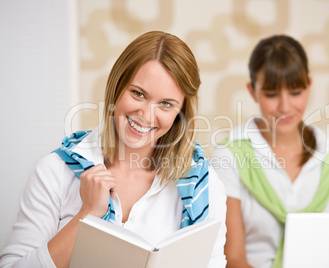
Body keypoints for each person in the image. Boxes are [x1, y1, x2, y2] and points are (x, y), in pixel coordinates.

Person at [0, 31, 227, 268]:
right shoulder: (55, 171)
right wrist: (86, 216)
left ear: (180, 113)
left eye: (166, 104)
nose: (147, 115)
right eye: (138, 94)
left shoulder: (204, 184)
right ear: (117, 88)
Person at [211, 35, 329, 268]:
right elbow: (232, 259)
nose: (285, 106)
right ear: (252, 91)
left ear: (309, 85)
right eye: (271, 94)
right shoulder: (229, 156)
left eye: (296, 92)